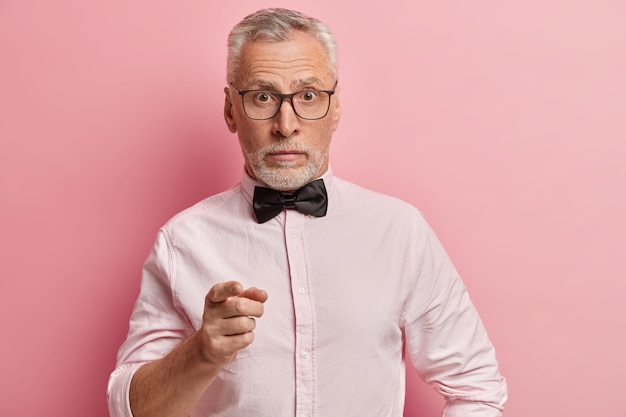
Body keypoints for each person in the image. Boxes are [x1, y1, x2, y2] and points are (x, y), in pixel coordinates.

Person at [107, 7, 507, 417]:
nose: (286, 124)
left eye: (308, 96)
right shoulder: (182, 242)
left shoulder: (400, 232)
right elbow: (130, 409)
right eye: (262, 96)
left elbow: (477, 387)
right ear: (230, 109)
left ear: (335, 109)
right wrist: (202, 353)